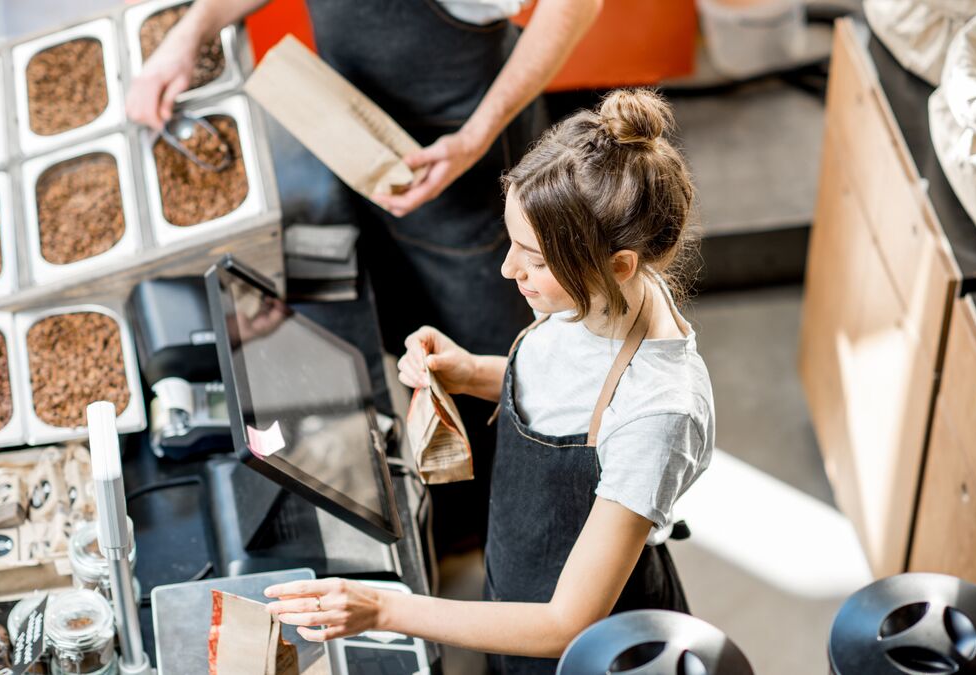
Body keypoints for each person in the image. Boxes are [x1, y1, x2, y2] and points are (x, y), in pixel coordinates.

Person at [263, 89, 716, 673]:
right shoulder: (597, 296)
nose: (508, 269)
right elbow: (570, 397)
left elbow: (565, 623)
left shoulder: (659, 415)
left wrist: (381, 609)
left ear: (619, 264)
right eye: (512, 244)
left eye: (532, 258)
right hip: (517, 577)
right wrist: (473, 372)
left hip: (585, 645)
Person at [129, 0, 602, 549]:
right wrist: (194, 30)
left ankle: (496, 528)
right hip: (358, 136)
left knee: (490, 370)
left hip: (458, 162)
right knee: (407, 334)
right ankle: (443, 511)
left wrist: (474, 138)